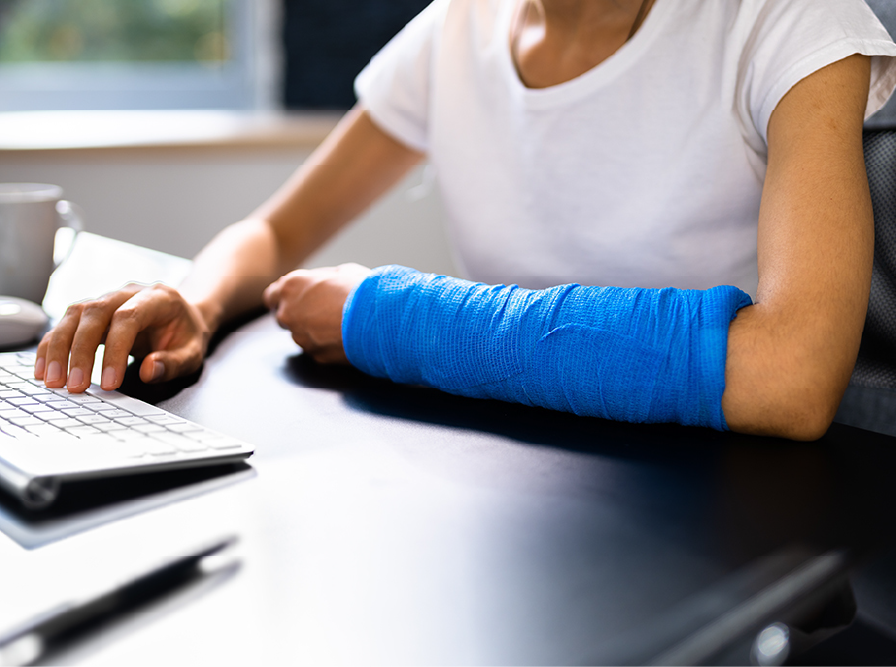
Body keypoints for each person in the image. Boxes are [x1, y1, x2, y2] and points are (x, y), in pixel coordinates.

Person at [34, 0, 896, 440]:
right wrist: (196, 296)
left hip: (736, 517)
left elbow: (793, 379)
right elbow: (274, 235)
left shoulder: (789, 22)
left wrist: (393, 315)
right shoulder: (460, 25)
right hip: (517, 478)